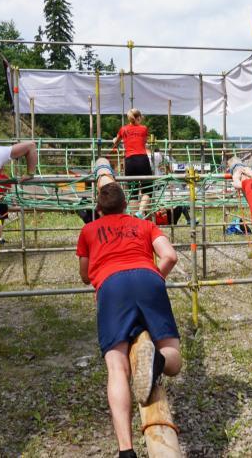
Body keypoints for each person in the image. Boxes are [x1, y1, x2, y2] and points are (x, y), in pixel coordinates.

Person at [76, 182, 181, 458]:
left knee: (117, 368)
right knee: (173, 359)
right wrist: (156, 277)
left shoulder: (88, 230)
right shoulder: (144, 225)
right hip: (148, 279)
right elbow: (170, 256)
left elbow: (85, 275)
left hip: (112, 287)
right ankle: (158, 360)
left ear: (99, 209)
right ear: (126, 205)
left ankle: (126, 450)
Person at [111, 109, 152, 217]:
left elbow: (116, 142)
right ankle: (141, 212)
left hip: (130, 161)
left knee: (133, 192)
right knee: (147, 190)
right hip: (142, 160)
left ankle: (134, 218)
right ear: (138, 118)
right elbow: (145, 141)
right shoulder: (144, 129)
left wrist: (115, 139)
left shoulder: (123, 129)